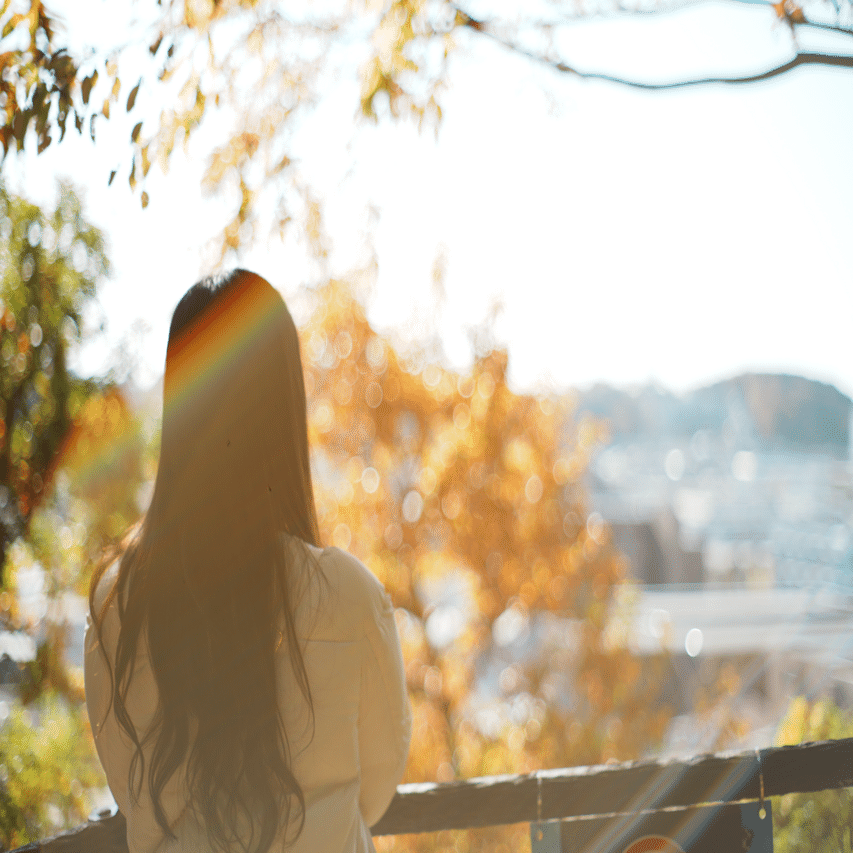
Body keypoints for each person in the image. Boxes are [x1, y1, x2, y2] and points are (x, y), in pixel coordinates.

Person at [84, 270, 411, 853]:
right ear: (284, 404)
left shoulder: (118, 603)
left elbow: (128, 785)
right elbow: (376, 790)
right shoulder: (348, 595)